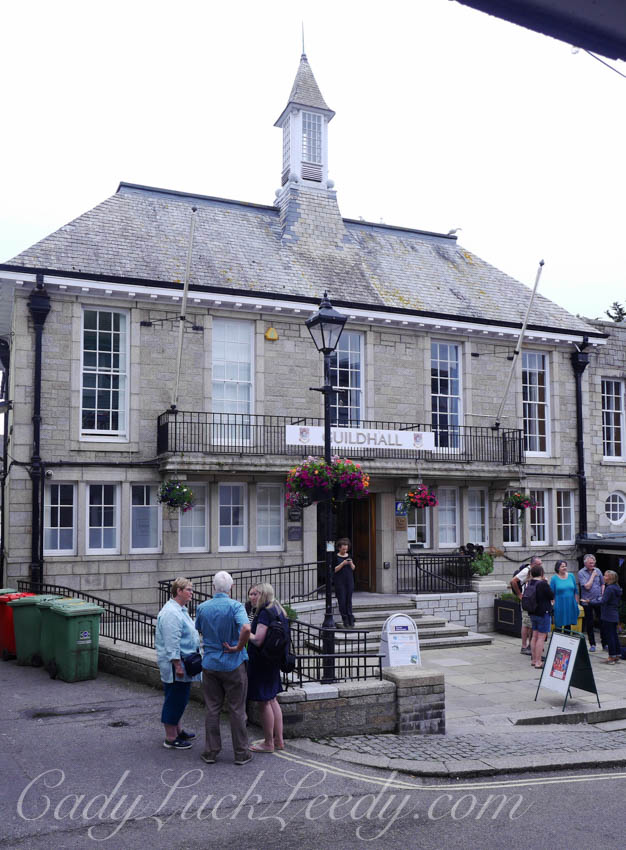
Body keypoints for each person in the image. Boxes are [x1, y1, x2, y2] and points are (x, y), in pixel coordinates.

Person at [195, 571, 252, 766]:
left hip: (210, 663)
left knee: (212, 708)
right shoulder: (236, 606)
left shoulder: (202, 607)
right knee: (236, 709)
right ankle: (241, 753)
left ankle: (211, 751)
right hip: (233, 663)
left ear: (213, 587)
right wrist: (238, 646)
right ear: (232, 588)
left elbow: (200, 628)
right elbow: (246, 628)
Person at [240, 582, 288, 753]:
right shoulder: (278, 609)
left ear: (265, 594)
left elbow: (258, 639)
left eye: (256, 594)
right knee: (272, 699)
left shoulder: (265, 613)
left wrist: (245, 631)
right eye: (251, 594)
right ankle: (278, 740)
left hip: (261, 662)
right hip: (273, 661)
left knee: (264, 702)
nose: (252, 597)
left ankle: (268, 743)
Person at [155, 577, 201, 750]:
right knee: (174, 699)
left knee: (180, 698)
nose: (192, 592)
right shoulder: (171, 613)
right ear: (179, 591)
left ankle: (178, 730)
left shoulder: (180, 610)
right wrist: (177, 665)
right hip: (176, 665)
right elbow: (171, 642)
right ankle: (171, 737)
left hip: (183, 662)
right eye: (189, 589)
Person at [511, 556, 542, 655]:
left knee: (531, 624)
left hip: (534, 601)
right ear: (532, 564)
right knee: (526, 623)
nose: (540, 566)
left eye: (541, 564)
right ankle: (524, 646)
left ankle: (531, 645)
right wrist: (519, 595)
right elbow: (513, 581)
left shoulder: (536, 572)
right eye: (538, 564)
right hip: (527, 601)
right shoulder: (526, 571)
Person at [526, 564, 554, 669]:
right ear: (542, 573)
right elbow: (551, 595)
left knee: (534, 636)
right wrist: (546, 582)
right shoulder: (542, 584)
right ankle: (538, 661)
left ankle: (533, 660)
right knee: (541, 637)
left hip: (533, 612)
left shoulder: (530, 583)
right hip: (543, 612)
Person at [577, 554, 606, 652]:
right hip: (587, 602)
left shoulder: (598, 570)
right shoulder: (581, 573)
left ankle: (604, 643)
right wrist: (593, 576)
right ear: (585, 563)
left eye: (593, 562)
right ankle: (592, 644)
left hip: (598, 600)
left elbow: (603, 583)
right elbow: (587, 586)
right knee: (590, 623)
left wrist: (602, 594)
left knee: (602, 622)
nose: (592, 564)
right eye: (590, 563)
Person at [600, 570, 623, 665]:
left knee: (610, 637)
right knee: (614, 636)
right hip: (614, 615)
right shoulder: (617, 587)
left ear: (610, 578)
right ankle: (617, 655)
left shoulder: (609, 589)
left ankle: (611, 657)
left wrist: (590, 602)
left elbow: (603, 602)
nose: (603, 577)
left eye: (605, 576)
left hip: (608, 616)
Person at [550, 560, 579, 631]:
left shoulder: (571, 576)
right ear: (558, 568)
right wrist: (553, 604)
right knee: (559, 626)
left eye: (565, 566)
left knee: (568, 626)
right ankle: (558, 642)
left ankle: (567, 641)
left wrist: (576, 603)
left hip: (570, 604)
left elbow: (575, 590)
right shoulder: (554, 578)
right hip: (559, 605)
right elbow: (551, 593)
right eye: (562, 566)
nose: (565, 568)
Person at [334, 537, 356, 628]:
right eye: (343, 548)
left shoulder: (349, 555)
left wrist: (350, 563)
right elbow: (334, 569)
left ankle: (351, 618)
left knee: (348, 601)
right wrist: (342, 564)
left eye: (346, 548)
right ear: (339, 548)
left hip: (349, 581)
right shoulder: (335, 556)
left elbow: (353, 568)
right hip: (340, 582)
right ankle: (345, 619)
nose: (345, 550)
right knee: (342, 601)